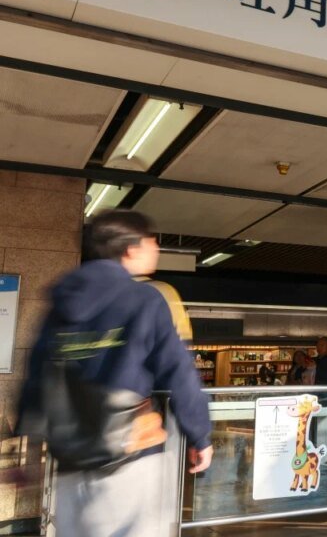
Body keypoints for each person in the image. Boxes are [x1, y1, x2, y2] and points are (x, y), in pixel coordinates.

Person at [16, 210, 213, 537]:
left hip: (69, 457)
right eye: (152, 243)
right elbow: (177, 369)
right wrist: (199, 434)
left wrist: (31, 447)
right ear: (131, 249)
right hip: (130, 454)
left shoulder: (61, 302)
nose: (156, 250)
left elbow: (36, 375)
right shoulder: (144, 299)